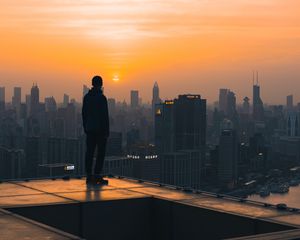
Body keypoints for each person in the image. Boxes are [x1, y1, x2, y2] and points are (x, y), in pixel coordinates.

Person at [82, 75, 109, 185]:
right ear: (101, 84)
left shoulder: (87, 97)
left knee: (89, 152)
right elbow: (105, 116)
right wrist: (106, 131)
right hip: (100, 130)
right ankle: (97, 175)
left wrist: (86, 127)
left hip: (89, 130)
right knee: (100, 153)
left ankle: (89, 176)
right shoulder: (102, 98)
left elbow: (84, 114)